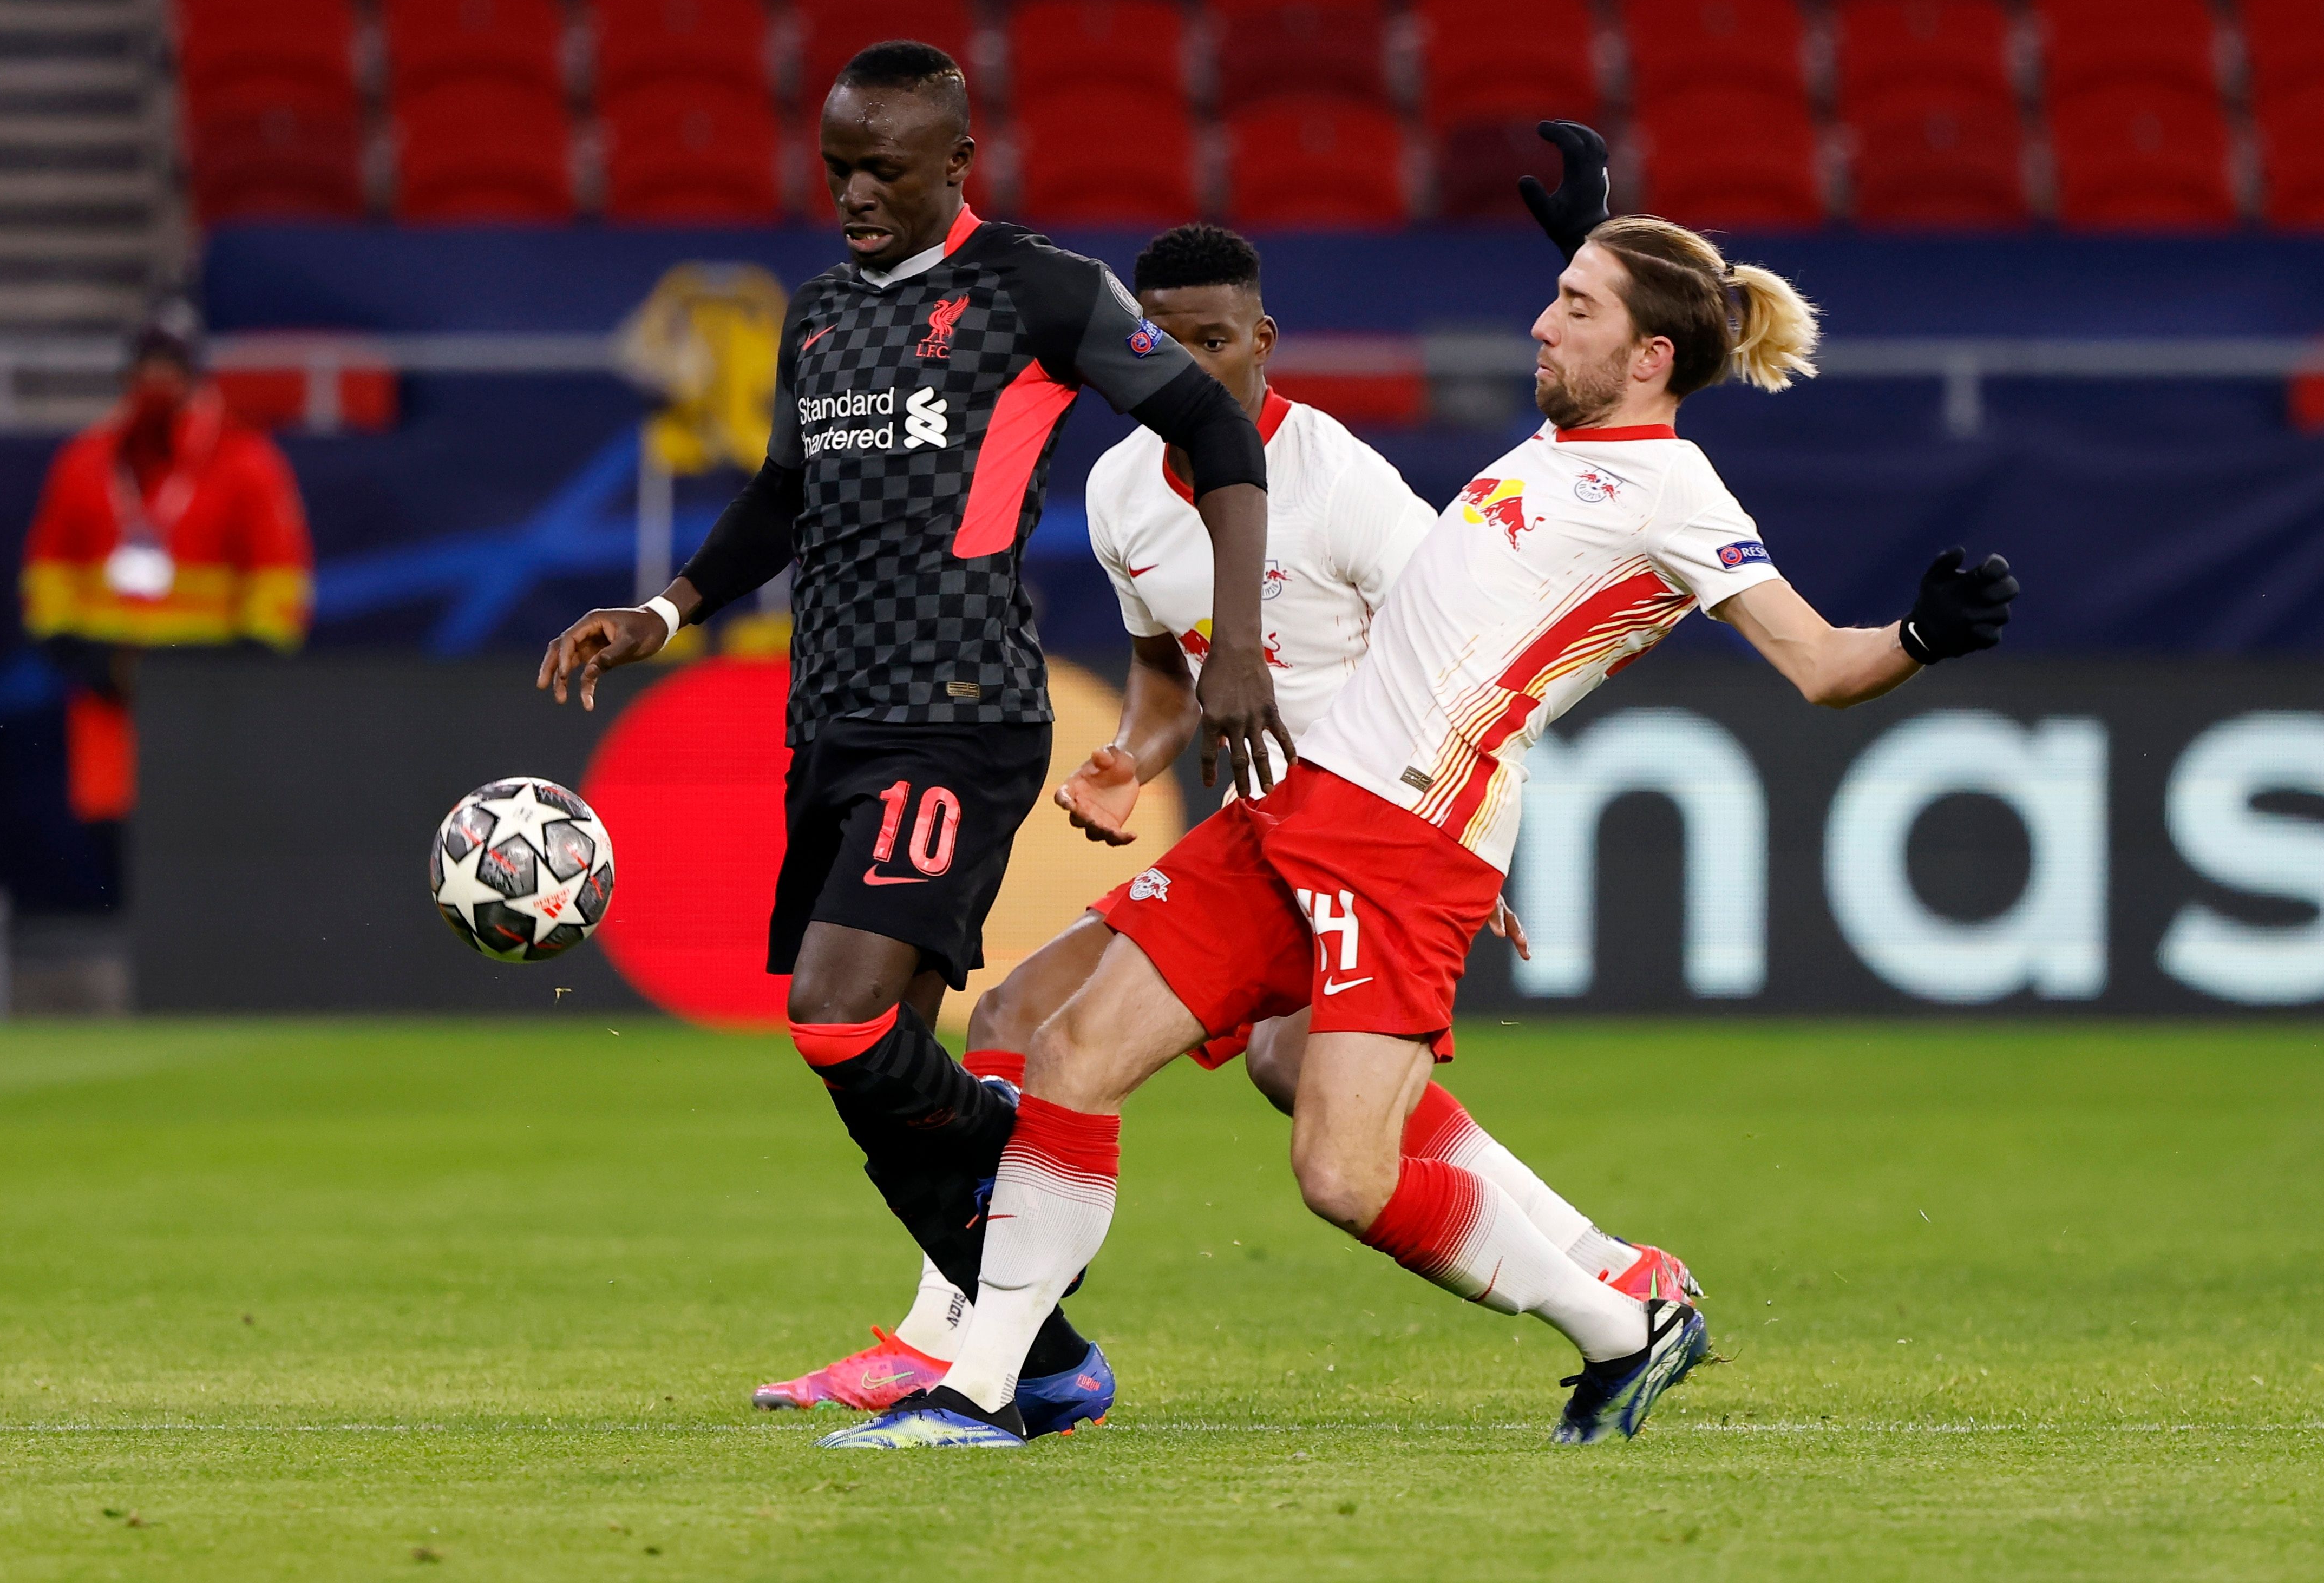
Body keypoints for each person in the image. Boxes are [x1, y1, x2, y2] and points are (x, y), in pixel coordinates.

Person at [823, 127, 2021, 1450]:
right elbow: (1618, 355)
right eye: (1555, 295)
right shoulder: (1566, 436)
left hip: (1407, 834)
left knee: (1342, 1175)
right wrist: (1592, 239)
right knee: (1068, 1048)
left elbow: (1819, 665)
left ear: (1647, 358)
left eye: (1572, 307)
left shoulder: (1676, 493)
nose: (1539, 322)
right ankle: (985, 1390)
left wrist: (1918, 636)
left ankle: (1618, 1320)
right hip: (1301, 800)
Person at [760, 222, 1699, 1416]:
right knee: (1047, 1020)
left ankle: (973, 1340)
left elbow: (1469, 655)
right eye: (1163, 344)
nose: (1188, 368)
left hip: (1374, 828)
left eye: (1214, 342)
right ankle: (1616, 1275)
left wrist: (1461, 825)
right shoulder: (1120, 490)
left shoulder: (1340, 482)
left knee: (1273, 1107)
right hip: (1263, 831)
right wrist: (1132, 754)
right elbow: (1168, 675)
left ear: (1264, 340)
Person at [535, 42, 1288, 1434]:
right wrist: (664, 608)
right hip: (831, 718)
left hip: (959, 713)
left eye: (883, 169)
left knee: (837, 1010)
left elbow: (1219, 435)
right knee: (859, 1050)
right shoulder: (820, 313)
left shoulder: (1040, 290)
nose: (855, 195)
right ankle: (1035, 1347)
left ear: (957, 161)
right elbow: (781, 495)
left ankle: (1024, 1201)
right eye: (837, 170)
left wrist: (1232, 644)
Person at [22, 298, 313, 825]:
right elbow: (48, 572)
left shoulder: (248, 464)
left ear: (196, 373)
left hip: (210, 699)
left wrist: (240, 665)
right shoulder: (85, 462)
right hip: (108, 696)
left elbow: (279, 582)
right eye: (148, 363)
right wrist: (74, 652)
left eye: (171, 365)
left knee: (200, 834)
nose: (158, 379)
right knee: (113, 834)